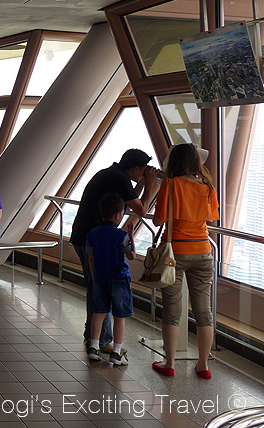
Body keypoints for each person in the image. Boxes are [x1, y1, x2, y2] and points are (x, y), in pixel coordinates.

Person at [71, 149, 159, 354]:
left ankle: (93, 336)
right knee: (98, 289)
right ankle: (101, 341)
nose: (144, 174)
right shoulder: (119, 178)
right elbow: (142, 209)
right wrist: (151, 186)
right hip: (92, 239)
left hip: (86, 236)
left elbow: (129, 197)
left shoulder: (113, 174)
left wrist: (141, 184)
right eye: (143, 170)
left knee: (96, 286)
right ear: (135, 168)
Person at [151, 143, 218, 379]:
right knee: (204, 311)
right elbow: (211, 217)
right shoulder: (208, 187)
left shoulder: (171, 184)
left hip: (175, 253)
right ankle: (203, 365)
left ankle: (169, 363)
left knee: (172, 308)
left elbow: (158, 220)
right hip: (203, 251)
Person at [86, 193, 135, 366]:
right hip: (119, 278)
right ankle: (116, 352)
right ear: (118, 215)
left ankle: (94, 347)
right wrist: (131, 236)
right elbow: (131, 255)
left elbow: (90, 257)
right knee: (119, 316)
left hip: (100, 276)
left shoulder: (92, 234)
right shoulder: (121, 235)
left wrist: (94, 276)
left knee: (99, 312)